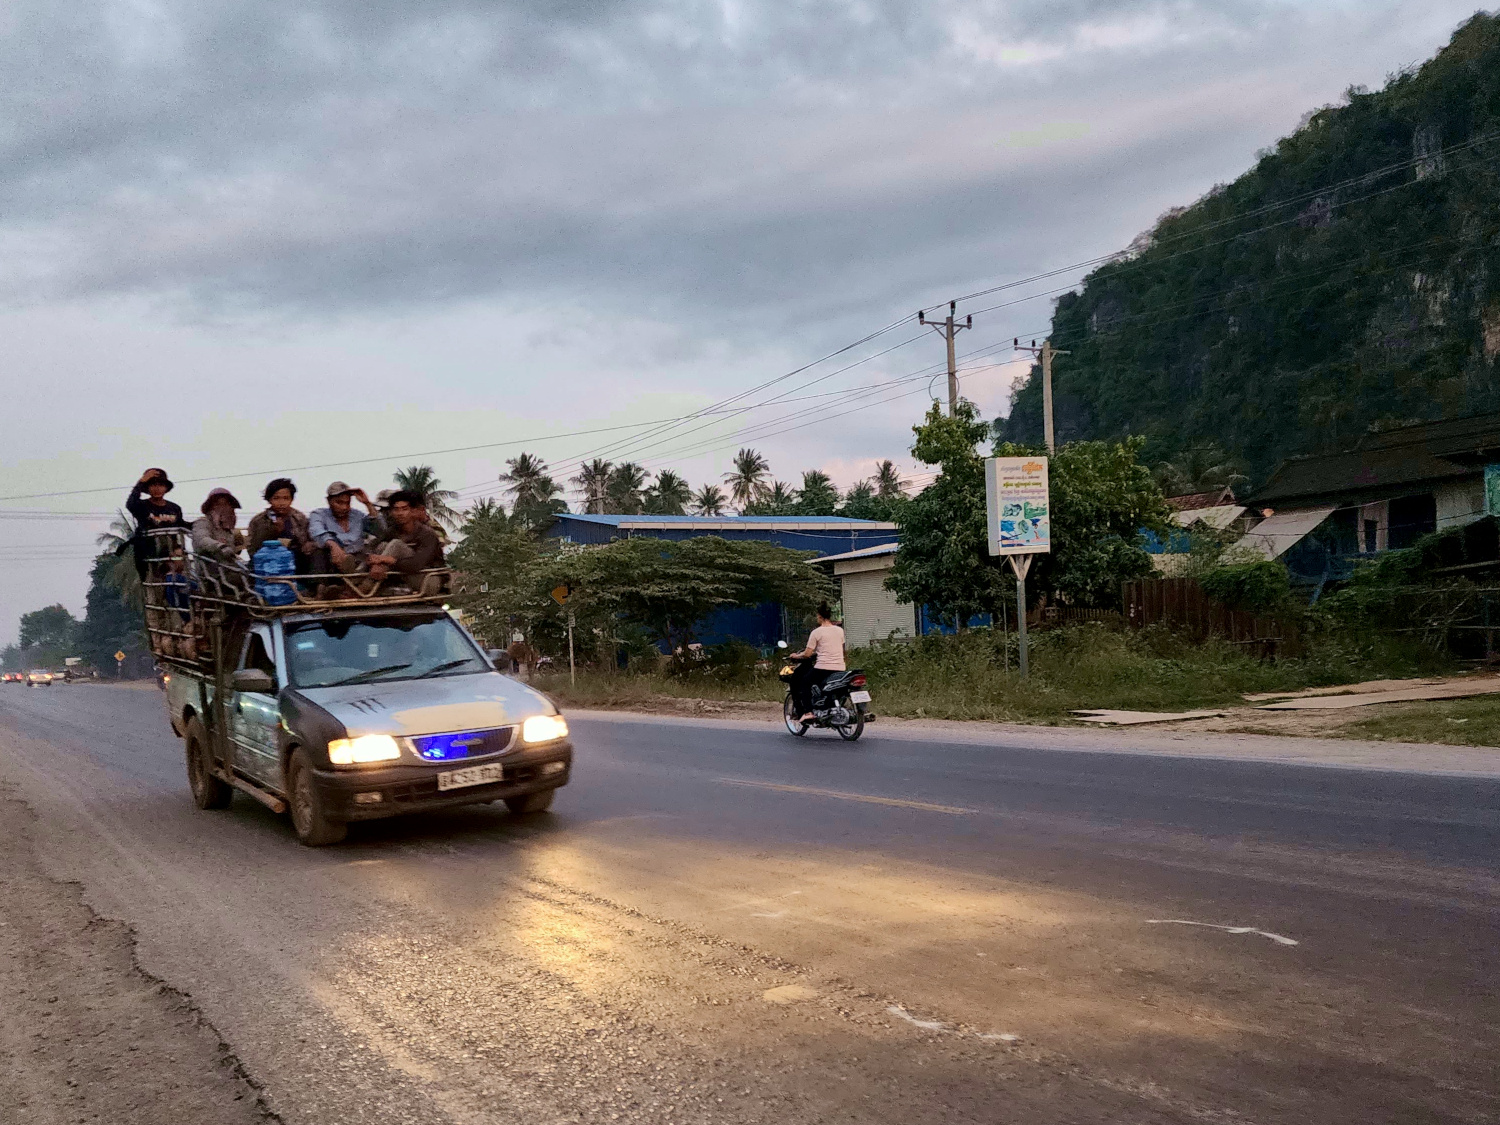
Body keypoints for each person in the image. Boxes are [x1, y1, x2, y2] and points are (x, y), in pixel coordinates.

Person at [367, 491, 446, 594]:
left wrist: (390, 560)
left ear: (413, 511)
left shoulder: (427, 533)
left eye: (404, 509)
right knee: (383, 546)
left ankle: (365, 586)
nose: (400, 513)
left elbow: (416, 564)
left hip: (429, 580)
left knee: (396, 545)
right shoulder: (392, 531)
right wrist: (373, 559)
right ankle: (353, 583)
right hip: (403, 579)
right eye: (396, 509)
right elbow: (372, 548)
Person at [308, 482, 381, 583]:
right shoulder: (319, 514)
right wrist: (333, 545)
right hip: (332, 561)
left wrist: (367, 504)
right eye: (339, 503)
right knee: (318, 552)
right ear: (329, 501)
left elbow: (379, 531)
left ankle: (354, 579)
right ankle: (322, 588)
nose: (344, 507)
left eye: (347, 503)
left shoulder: (357, 515)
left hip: (358, 559)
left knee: (371, 556)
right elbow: (316, 531)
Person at [124, 468, 189, 579]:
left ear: (166, 488)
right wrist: (141, 481)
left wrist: (200, 522)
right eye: (153, 485)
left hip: (172, 551)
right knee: (154, 582)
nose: (157, 488)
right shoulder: (142, 506)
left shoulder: (174, 508)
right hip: (149, 552)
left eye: (160, 485)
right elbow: (131, 504)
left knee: (179, 569)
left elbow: (181, 525)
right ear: (147, 488)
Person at [789, 602, 845, 722]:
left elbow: (807, 654)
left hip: (823, 667)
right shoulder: (840, 631)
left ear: (819, 616)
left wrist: (796, 655)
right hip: (840, 667)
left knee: (805, 682)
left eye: (817, 616)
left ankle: (808, 712)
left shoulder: (816, 632)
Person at [246, 478, 314, 570]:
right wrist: (274, 532)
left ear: (291, 499)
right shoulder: (258, 521)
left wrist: (309, 545)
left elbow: (309, 540)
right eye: (276, 498)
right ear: (269, 500)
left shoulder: (299, 518)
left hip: (297, 561)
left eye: (286, 498)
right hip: (269, 563)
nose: (281, 503)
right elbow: (253, 550)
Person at [191, 488, 246, 562]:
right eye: (218, 504)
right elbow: (202, 539)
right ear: (210, 507)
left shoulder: (230, 530)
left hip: (229, 568)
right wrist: (220, 546)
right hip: (210, 570)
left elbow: (237, 550)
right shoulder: (202, 523)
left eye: (226, 504)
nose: (223, 508)